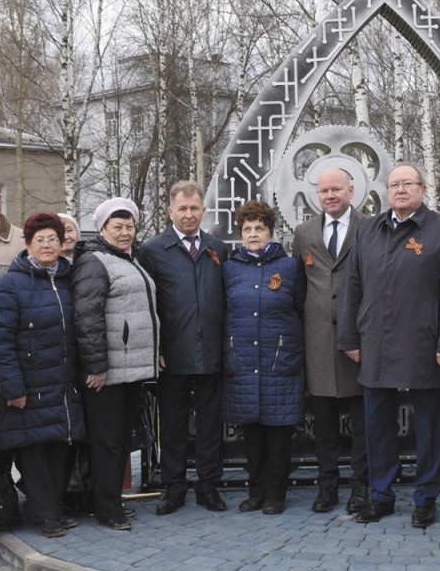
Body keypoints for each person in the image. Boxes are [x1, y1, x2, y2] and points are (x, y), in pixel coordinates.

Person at [337, 162, 440, 528]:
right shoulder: (368, 230)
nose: (400, 190)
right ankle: (380, 495)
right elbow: (352, 287)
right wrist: (349, 336)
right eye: (394, 184)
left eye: (408, 183)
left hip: (425, 344)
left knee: (428, 425)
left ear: (422, 188)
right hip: (375, 343)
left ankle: (426, 497)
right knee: (377, 425)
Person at [0, 213, 86, 538]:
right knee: (33, 453)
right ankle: (44, 515)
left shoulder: (68, 280)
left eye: (53, 239)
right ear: (28, 244)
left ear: (62, 243)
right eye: (39, 240)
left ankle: (51, 508)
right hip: (28, 386)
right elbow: (0, 340)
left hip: (61, 383)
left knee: (59, 447)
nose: (47, 245)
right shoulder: (12, 283)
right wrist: (13, 386)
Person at [137, 181, 228, 515]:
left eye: (194, 208)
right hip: (171, 355)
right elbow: (146, 305)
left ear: (203, 210)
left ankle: (208, 486)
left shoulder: (218, 248)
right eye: (183, 209)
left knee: (209, 424)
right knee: (172, 425)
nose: (189, 215)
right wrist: (155, 347)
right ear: (170, 211)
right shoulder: (152, 250)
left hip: (210, 352)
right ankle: (173, 487)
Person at [72, 197, 158, 531]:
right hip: (108, 372)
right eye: (117, 227)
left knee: (121, 440)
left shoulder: (128, 258)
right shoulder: (94, 261)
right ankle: (108, 509)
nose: (125, 232)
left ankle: (110, 501)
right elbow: (87, 317)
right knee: (107, 442)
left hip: (131, 368)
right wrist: (95, 367)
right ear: (103, 228)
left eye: (129, 226)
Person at [290, 168, 368, 515]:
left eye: (337, 189)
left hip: (359, 343)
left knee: (363, 425)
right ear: (316, 195)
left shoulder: (370, 228)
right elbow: (298, 287)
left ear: (351, 191)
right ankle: (327, 485)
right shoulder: (304, 233)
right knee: (323, 426)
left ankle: (362, 486)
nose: (330, 195)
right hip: (318, 343)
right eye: (324, 191)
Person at [224, 200, 306, 515]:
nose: (253, 234)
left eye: (259, 228)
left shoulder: (289, 267)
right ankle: (255, 492)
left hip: (279, 363)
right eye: (247, 229)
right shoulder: (230, 268)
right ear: (240, 234)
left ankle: (276, 495)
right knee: (252, 437)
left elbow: (300, 309)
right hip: (243, 362)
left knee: (278, 437)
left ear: (271, 232)